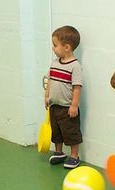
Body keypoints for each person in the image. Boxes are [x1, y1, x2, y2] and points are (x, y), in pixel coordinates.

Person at [45, 26, 83, 169]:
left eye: (55, 45)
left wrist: (74, 105)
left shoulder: (75, 66)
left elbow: (77, 87)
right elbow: (50, 81)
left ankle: (74, 156)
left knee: (71, 132)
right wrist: (47, 96)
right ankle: (59, 152)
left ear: (66, 47)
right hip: (54, 105)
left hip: (68, 108)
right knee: (57, 131)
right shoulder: (54, 63)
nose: (53, 48)